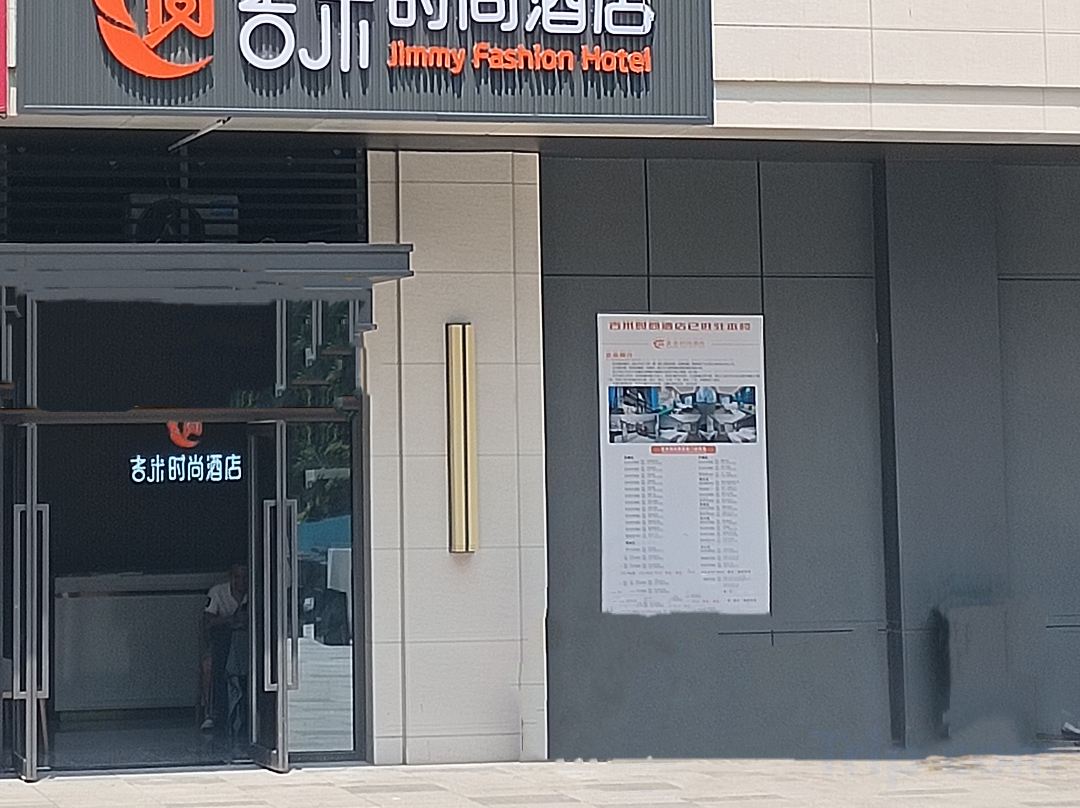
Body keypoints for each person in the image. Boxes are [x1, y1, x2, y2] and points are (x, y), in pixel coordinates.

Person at [201, 563, 248, 732]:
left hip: (248, 644)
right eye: (237, 577)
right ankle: (211, 713)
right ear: (230, 577)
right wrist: (230, 620)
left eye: (245, 577)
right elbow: (207, 621)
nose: (241, 581)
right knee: (209, 665)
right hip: (221, 642)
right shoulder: (217, 592)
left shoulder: (258, 591)